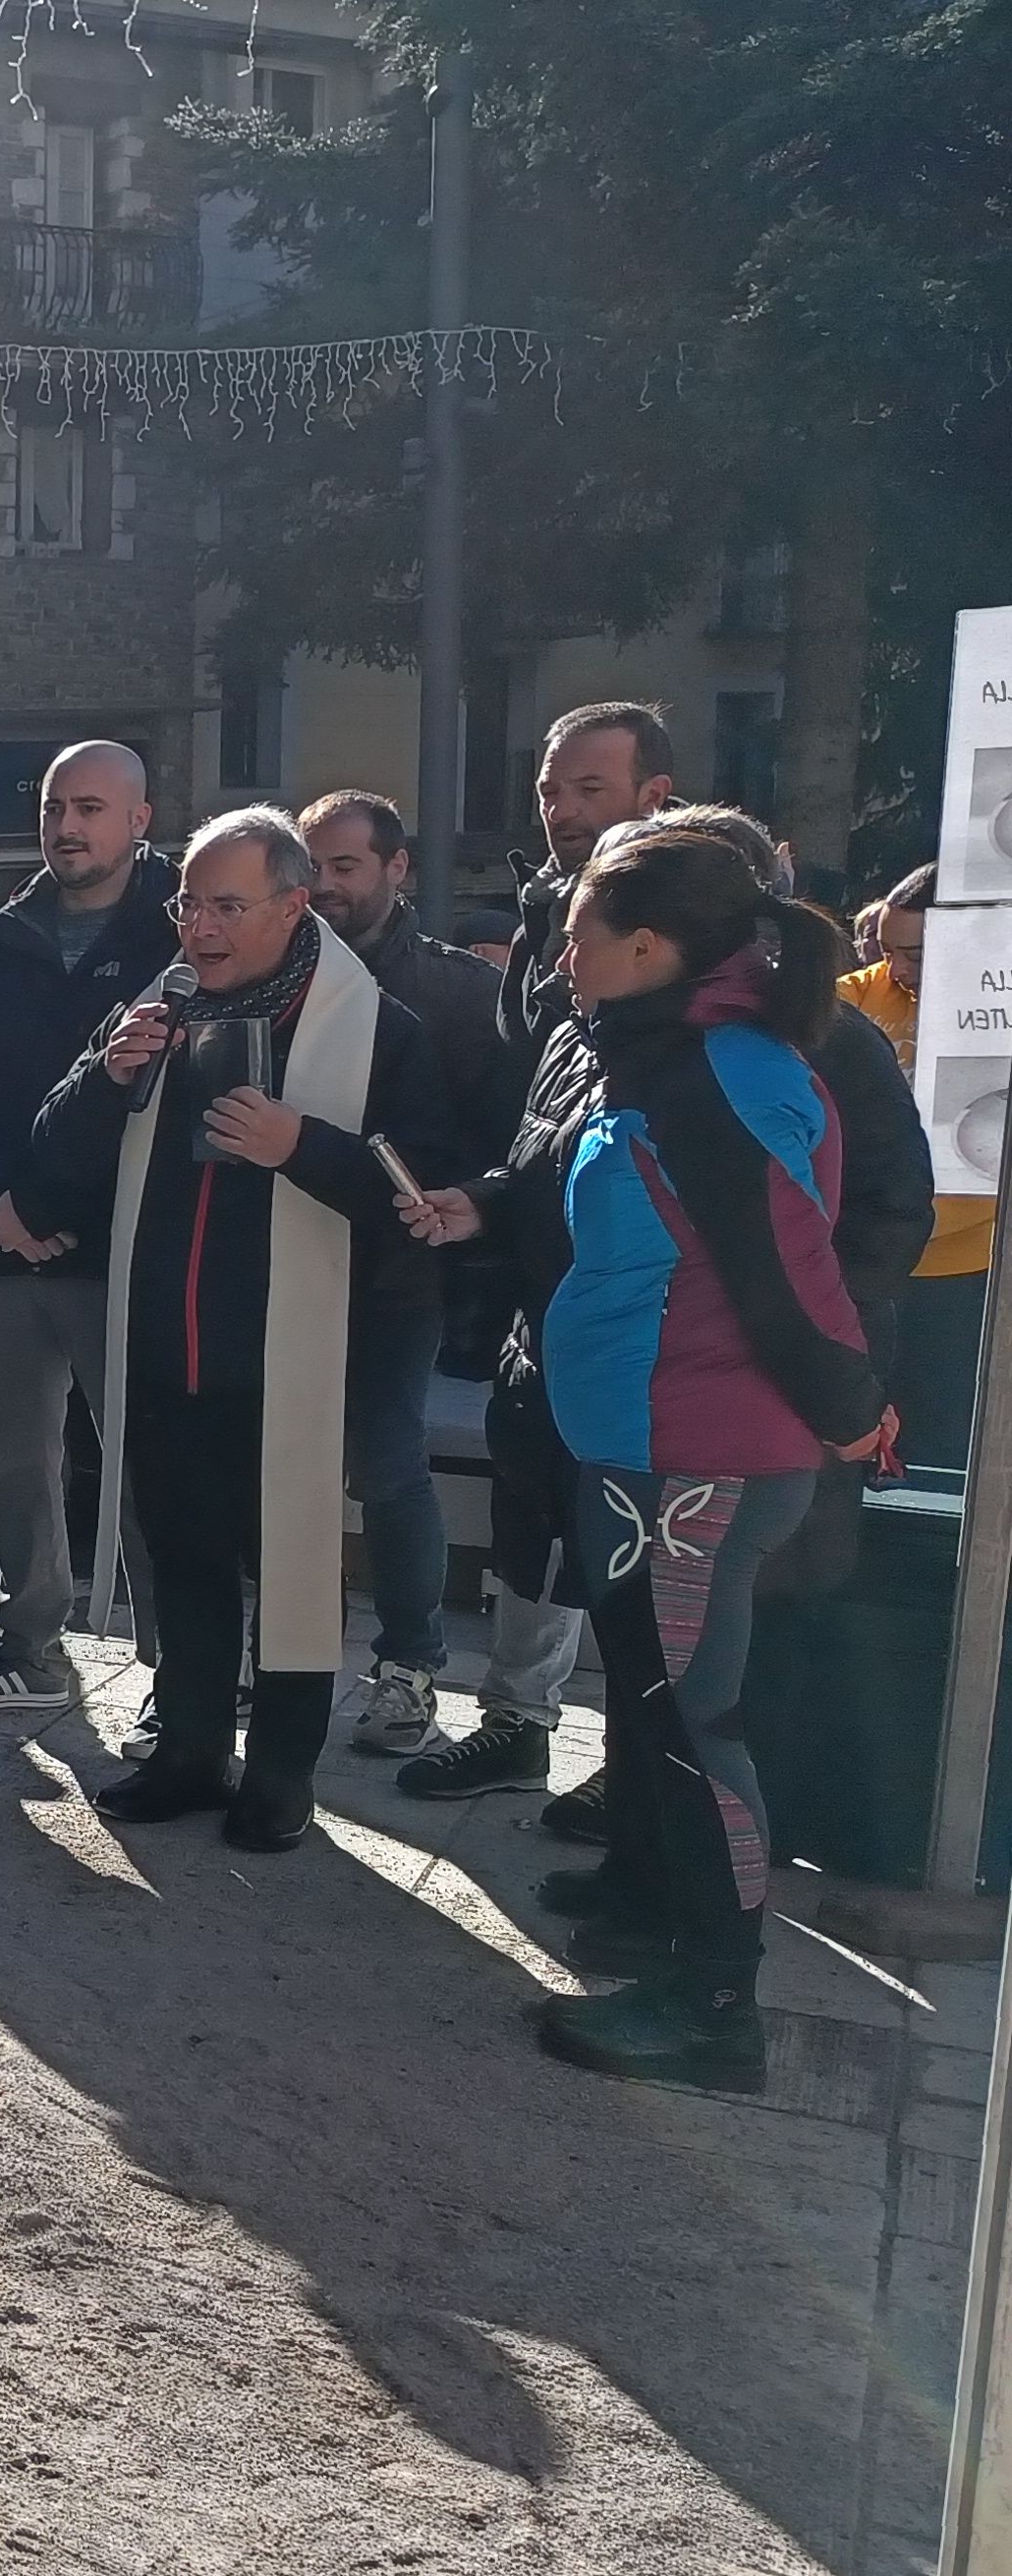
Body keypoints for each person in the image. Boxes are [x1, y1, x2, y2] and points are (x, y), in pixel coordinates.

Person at [399, 828, 889, 2089]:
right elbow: (594, 1189)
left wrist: (849, 1416)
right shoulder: (650, 1051)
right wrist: (490, 1205)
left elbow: (790, 1275)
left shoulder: (721, 1072)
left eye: (576, 933)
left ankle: (716, 2008)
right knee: (655, 1707)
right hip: (634, 1443)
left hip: (699, 1455)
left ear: (649, 945)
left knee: (690, 1730)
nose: (556, 952)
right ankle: (667, 1928)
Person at [20, 809, 460, 1852]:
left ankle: (281, 1776)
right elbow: (52, 1157)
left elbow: (425, 1202)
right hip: (170, 1349)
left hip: (297, 1361)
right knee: (186, 1561)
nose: (198, 929)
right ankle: (189, 1752)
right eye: (188, 905)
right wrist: (106, 1076)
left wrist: (299, 1144)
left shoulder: (379, 1030)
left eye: (226, 906)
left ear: (292, 906)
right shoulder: (156, 1010)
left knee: (293, 1566)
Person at [395, 703, 679, 1810]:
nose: (559, 812)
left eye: (587, 791)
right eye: (549, 790)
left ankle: (640, 1767)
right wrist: (489, 1205)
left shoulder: (714, 969)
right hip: (535, 1286)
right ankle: (518, 1723)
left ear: (655, 795)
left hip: (647, 1313)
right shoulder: (542, 930)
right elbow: (539, 1115)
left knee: (631, 1533)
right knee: (530, 1506)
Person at [0, 740, 176, 1717]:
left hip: (126, 1250)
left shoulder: (181, 931)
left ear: (139, 819)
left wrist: (53, 1211)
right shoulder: (0, 938)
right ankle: (29, 1648)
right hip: (0, 1250)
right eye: (55, 808)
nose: (69, 826)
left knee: (147, 1463)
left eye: (92, 808)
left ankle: (177, 1667)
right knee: (16, 1467)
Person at [295, 791, 517, 1758]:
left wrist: (456, 1224)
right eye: (311, 868)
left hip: (394, 1280)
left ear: (395, 868)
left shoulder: (460, 992)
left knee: (386, 1466)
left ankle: (407, 1669)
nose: (324, 888)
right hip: (281, 1274)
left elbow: (504, 1144)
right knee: (282, 1476)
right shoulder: (273, 974)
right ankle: (287, 1664)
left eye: (344, 867)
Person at [842, 862, 991, 1465]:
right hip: (872, 1260)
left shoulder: (995, 997)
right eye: (887, 951)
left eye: (918, 956)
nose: (899, 971)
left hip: (969, 1266)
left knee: (944, 1448)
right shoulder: (856, 996)